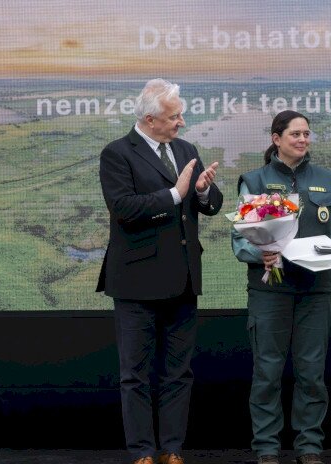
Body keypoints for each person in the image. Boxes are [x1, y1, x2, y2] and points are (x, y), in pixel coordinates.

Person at [96, 78, 223, 464]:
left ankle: (171, 449)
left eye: (181, 115)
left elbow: (210, 204)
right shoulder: (117, 154)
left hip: (182, 280)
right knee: (134, 374)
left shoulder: (185, 149)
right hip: (136, 283)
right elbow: (125, 210)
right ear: (150, 119)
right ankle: (142, 452)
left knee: (178, 373)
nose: (181, 123)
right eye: (174, 117)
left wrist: (201, 191)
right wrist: (174, 194)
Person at [232, 110, 331, 464]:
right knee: (267, 373)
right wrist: (261, 253)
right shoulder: (254, 181)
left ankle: (309, 446)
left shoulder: (327, 179)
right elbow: (239, 239)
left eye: (306, 134)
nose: (303, 140)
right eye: (295, 134)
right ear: (276, 139)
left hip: (315, 290)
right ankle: (267, 448)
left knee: (311, 373)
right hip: (270, 292)